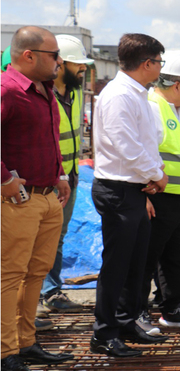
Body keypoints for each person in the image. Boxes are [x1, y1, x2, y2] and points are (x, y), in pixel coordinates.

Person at [90, 33, 169, 357]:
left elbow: (148, 142)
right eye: (159, 62)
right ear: (147, 63)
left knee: (136, 264)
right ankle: (103, 333)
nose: (161, 68)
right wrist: (156, 175)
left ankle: (125, 322)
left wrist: (151, 175)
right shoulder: (120, 95)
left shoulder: (138, 94)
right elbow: (127, 146)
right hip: (118, 189)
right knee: (117, 266)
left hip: (135, 188)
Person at [1, 26, 74, 370]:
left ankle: (26, 342)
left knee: (36, 273)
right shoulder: (7, 91)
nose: (60, 62)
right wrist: (5, 181)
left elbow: (47, 140)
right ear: (28, 55)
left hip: (46, 197)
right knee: (10, 275)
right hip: (18, 200)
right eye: (54, 55)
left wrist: (59, 174)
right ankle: (5, 352)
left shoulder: (44, 91)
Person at [138, 50, 180, 331]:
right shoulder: (152, 108)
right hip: (159, 198)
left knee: (176, 257)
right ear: (177, 84)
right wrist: (142, 197)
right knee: (146, 258)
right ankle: (137, 311)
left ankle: (173, 308)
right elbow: (142, 155)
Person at [39, 35, 93, 317]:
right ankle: (36, 297)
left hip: (68, 178)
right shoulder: (41, 93)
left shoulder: (75, 93)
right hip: (44, 179)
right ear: (60, 64)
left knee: (57, 237)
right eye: (79, 67)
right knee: (36, 239)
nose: (83, 72)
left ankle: (50, 290)